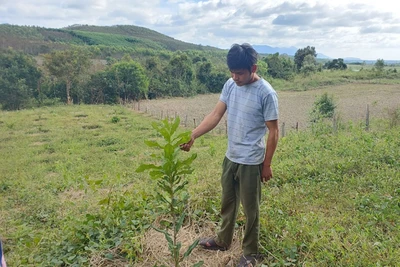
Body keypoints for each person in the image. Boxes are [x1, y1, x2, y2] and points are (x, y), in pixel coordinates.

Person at [181, 43, 279, 267]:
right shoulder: (230, 85)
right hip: (231, 156)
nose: (235, 77)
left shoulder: (266, 93)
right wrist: (193, 135)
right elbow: (216, 114)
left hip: (251, 161)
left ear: (253, 67)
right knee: (228, 202)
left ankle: (250, 253)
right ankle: (223, 240)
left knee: (250, 209)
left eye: (240, 73)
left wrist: (267, 164)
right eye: (232, 72)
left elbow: (274, 131)